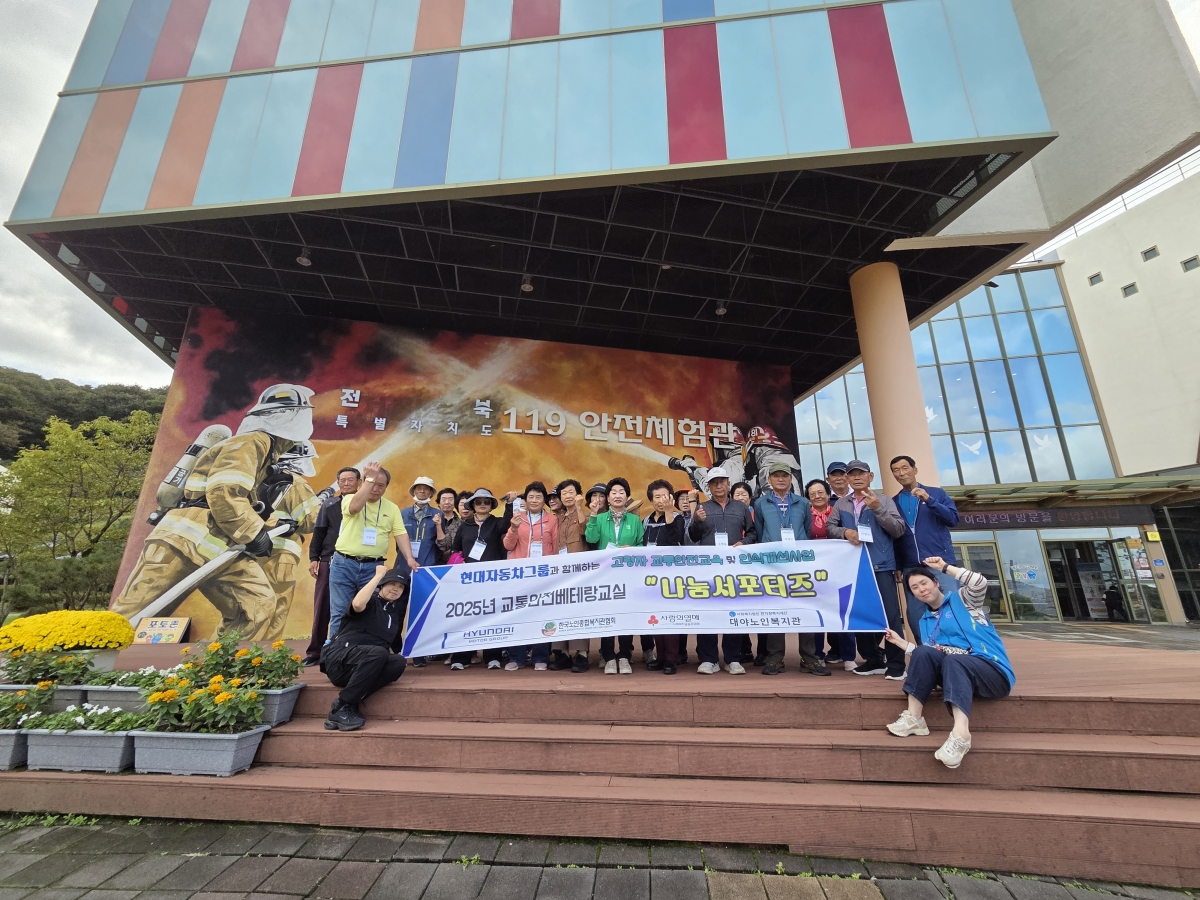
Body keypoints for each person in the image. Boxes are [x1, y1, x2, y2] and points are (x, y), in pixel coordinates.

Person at [111, 383, 314, 640]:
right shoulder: (251, 443)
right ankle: (84, 658)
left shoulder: (263, 453)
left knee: (257, 606)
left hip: (220, 546)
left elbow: (246, 503)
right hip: (183, 541)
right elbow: (224, 492)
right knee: (133, 612)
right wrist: (253, 533)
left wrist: (272, 524)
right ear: (294, 419)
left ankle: (223, 662)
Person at [884, 557, 1015, 769]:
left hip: (993, 673)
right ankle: (914, 718)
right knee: (924, 652)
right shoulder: (925, 621)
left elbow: (979, 582)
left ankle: (961, 734)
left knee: (954, 661)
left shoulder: (964, 600)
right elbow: (928, 657)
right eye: (915, 588)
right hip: (957, 674)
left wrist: (944, 567)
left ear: (936, 582)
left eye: (924, 583)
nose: (921, 589)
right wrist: (901, 643)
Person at [827, 461, 908, 680]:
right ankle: (873, 660)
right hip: (854, 568)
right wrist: (845, 533)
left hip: (881, 566)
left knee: (890, 616)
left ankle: (896, 664)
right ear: (847, 479)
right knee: (859, 615)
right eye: (852, 474)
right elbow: (830, 527)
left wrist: (877, 509)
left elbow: (898, 529)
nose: (856, 478)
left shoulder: (884, 500)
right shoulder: (841, 503)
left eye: (861, 474)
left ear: (870, 476)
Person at [328, 461, 419, 649]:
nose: (375, 489)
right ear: (363, 482)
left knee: (372, 611)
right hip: (344, 564)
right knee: (340, 612)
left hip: (374, 568)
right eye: (372, 483)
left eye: (381, 485)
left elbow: (400, 533)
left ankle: (368, 652)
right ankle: (334, 652)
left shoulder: (391, 508)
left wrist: (409, 558)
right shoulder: (349, 499)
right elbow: (354, 508)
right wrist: (369, 479)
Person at [750, 463, 827, 677]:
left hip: (799, 563)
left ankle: (809, 658)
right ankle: (775, 658)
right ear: (769, 480)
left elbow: (807, 530)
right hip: (772, 564)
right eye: (776, 476)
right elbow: (760, 532)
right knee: (775, 609)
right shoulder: (761, 503)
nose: (781, 479)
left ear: (791, 479)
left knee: (805, 607)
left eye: (785, 475)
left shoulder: (802, 502)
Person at [321, 565, 410, 731]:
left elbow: (396, 647)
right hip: (339, 662)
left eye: (400, 587)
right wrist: (377, 576)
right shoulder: (370, 600)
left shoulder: (393, 615)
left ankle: (348, 702)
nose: (396, 589)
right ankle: (344, 705)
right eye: (392, 584)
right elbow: (357, 604)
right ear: (382, 584)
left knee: (398, 662)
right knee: (378, 653)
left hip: (363, 669)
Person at [688, 466, 757, 674]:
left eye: (722, 482)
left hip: (734, 568)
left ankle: (732, 659)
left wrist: (743, 542)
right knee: (708, 612)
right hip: (708, 569)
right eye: (714, 483)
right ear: (708, 487)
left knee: (732, 612)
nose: (718, 486)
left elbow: (753, 533)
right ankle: (708, 659)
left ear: (728, 484)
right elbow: (693, 536)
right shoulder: (703, 508)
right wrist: (697, 520)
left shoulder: (741, 508)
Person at [890, 456, 961, 641]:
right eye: (896, 470)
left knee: (951, 608)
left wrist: (930, 500)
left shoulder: (936, 493)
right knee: (916, 615)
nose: (901, 473)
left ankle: (957, 650)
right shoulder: (893, 502)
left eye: (905, 468)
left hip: (940, 563)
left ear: (915, 470)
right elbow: (895, 537)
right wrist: (899, 565)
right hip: (911, 566)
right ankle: (925, 651)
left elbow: (953, 519)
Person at [585, 478, 645, 674]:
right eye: (614, 492)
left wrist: (632, 549)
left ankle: (625, 656)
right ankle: (609, 657)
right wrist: (593, 516)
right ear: (608, 498)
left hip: (628, 575)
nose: (618, 495)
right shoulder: (600, 518)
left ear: (627, 497)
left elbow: (642, 545)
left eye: (621, 492)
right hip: (606, 576)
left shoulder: (635, 520)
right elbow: (591, 539)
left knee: (626, 615)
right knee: (607, 615)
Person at [304, 467, 361, 666]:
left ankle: (354, 649)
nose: (346, 483)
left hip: (358, 562)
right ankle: (315, 651)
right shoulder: (329, 504)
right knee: (323, 607)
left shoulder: (366, 504)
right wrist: (314, 558)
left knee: (358, 607)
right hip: (330, 560)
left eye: (350, 480)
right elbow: (319, 532)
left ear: (359, 482)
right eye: (342, 480)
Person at [502, 481, 559, 671]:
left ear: (544, 500)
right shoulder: (517, 518)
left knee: (542, 614)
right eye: (531, 497)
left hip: (543, 575)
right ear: (525, 500)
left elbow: (555, 547)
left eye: (538, 497)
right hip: (519, 575)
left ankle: (540, 656)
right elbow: (508, 545)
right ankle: (516, 657)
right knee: (518, 615)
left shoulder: (552, 520)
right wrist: (513, 528)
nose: (534, 500)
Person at [449, 488, 508, 670]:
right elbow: (455, 548)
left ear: (491, 505)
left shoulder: (496, 523)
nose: (482, 504)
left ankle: (492, 657)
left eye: (486, 501)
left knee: (492, 616)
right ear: (472, 505)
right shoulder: (465, 525)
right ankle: (461, 657)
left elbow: (508, 525)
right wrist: (459, 562)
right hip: (469, 579)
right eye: (478, 501)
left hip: (492, 578)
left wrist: (510, 504)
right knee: (467, 616)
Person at [806, 478, 857, 672]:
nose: (817, 496)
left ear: (828, 494)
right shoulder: (805, 514)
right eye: (812, 494)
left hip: (839, 568)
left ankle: (848, 656)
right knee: (816, 612)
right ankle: (817, 655)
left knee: (842, 610)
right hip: (813, 571)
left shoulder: (839, 511)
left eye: (821, 492)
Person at [642, 479, 686, 674]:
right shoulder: (646, 521)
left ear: (671, 498)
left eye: (665, 496)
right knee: (656, 617)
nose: (661, 500)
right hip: (651, 576)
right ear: (651, 500)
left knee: (670, 617)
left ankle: (671, 659)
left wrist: (669, 513)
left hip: (671, 576)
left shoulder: (678, 518)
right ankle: (660, 656)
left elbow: (675, 539)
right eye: (657, 497)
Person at [554, 479, 592, 672]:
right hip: (559, 573)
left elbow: (587, 533)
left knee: (579, 611)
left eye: (571, 492)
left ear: (578, 495)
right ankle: (562, 654)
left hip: (579, 573)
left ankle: (581, 654)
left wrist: (579, 508)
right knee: (559, 611)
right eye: (564, 493)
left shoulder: (586, 514)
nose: (567, 496)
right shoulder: (558, 519)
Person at [400, 476, 440, 571]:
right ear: (414, 491)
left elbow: (439, 542)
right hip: (404, 562)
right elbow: (399, 540)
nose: (422, 491)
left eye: (426, 489)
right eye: (419, 488)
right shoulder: (403, 513)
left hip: (428, 563)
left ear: (431, 492)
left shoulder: (438, 514)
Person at [431, 487, 461, 565]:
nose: (447, 502)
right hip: (433, 562)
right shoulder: (431, 521)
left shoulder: (461, 523)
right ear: (438, 503)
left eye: (450, 499)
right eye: (444, 500)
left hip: (455, 563)